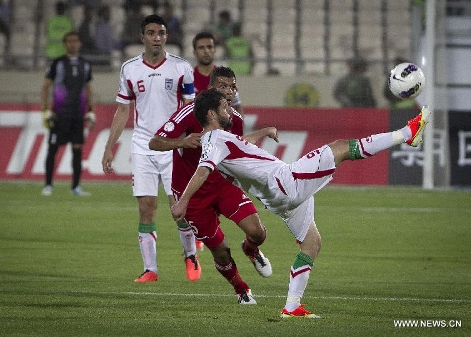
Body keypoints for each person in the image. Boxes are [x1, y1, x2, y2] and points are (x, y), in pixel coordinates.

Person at [172, 88, 431, 317]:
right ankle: (406, 133)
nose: (230, 109)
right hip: (286, 182)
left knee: (311, 243)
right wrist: (183, 202)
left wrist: (262, 132)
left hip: (279, 199)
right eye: (224, 107)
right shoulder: (215, 140)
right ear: (211, 114)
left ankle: (292, 306)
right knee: (340, 148)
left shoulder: (217, 141)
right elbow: (203, 170)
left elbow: (239, 148)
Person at [150, 67, 272, 304]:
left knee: (257, 232)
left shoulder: (234, 118)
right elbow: (154, 142)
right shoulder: (189, 113)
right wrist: (182, 142)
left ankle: (251, 249)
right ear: (210, 88)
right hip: (192, 193)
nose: (229, 92)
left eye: (232, 87)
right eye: (223, 86)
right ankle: (241, 289)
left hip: (221, 185)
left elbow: (236, 153)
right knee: (221, 251)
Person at [101, 15, 200, 283]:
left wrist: (191, 144)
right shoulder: (130, 69)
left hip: (173, 148)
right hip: (143, 146)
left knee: (178, 208)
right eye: (152, 32)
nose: (157, 37)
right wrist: (110, 147)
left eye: (162, 33)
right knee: (146, 208)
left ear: (167, 36)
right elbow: (123, 110)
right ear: (142, 37)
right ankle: (150, 270)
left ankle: (190, 255)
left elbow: (191, 109)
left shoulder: (181, 68)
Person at [40, 32, 95, 197]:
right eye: (69, 41)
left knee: (77, 151)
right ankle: (48, 185)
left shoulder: (85, 65)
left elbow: (88, 88)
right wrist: (45, 109)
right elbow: (45, 86)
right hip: (59, 115)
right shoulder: (57, 63)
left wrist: (91, 110)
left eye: (75, 41)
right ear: (64, 44)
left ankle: (76, 186)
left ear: (79, 44)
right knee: (53, 149)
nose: (73, 44)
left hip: (78, 116)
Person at [192, 31, 244, 116]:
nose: (206, 51)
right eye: (201, 48)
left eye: (209, 47)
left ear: (215, 50)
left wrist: (239, 128)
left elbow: (237, 106)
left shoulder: (226, 77)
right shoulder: (187, 78)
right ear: (194, 52)